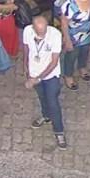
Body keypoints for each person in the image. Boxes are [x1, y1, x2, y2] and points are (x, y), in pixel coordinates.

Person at [24, 16, 66, 149]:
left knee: (53, 102)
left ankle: (59, 131)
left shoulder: (55, 35)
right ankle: (46, 116)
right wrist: (26, 70)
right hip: (34, 73)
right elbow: (26, 50)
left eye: (44, 31)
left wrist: (38, 78)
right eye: (38, 31)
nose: (42, 34)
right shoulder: (27, 31)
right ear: (33, 27)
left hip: (50, 75)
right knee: (42, 96)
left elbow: (54, 62)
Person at [60, 0, 90, 90]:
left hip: (88, 34)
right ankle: (68, 75)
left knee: (85, 51)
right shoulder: (69, 5)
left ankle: (82, 67)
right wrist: (67, 39)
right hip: (73, 36)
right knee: (71, 55)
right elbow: (64, 23)